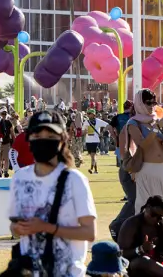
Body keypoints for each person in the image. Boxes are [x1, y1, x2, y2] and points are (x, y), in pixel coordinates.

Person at [9, 110, 98, 277]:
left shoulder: (74, 180)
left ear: (63, 139)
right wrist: (18, 228)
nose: (43, 141)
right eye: (37, 135)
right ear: (28, 139)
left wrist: (46, 228)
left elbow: (89, 233)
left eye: (50, 137)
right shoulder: (20, 178)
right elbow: (14, 228)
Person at [124, 90, 163, 228]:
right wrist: (156, 128)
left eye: (154, 103)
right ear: (139, 103)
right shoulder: (133, 123)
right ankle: (144, 239)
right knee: (145, 206)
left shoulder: (156, 119)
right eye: (148, 103)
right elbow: (142, 145)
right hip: (146, 170)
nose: (151, 106)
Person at [115, 196, 163, 277]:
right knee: (144, 261)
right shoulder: (130, 225)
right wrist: (141, 249)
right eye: (153, 214)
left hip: (161, 264)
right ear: (147, 208)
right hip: (136, 266)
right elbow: (120, 254)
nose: (155, 219)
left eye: (160, 217)